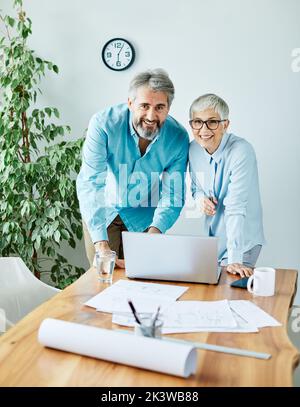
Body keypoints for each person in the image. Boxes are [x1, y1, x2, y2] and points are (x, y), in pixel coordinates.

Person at [76, 69, 189, 268]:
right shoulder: (103, 124)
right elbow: (91, 182)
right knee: (103, 279)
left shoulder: (178, 137)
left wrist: (155, 233)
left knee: (143, 279)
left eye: (160, 107)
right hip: (103, 212)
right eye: (144, 106)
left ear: (168, 108)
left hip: (145, 217)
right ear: (130, 103)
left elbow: (173, 193)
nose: (151, 115)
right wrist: (101, 245)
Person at [189, 93, 265, 277]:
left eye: (212, 122)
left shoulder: (242, 151)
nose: (204, 129)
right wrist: (200, 199)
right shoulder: (193, 148)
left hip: (242, 243)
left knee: (231, 294)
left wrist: (235, 259)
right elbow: (195, 187)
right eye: (197, 121)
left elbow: (235, 207)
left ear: (225, 124)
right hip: (212, 241)